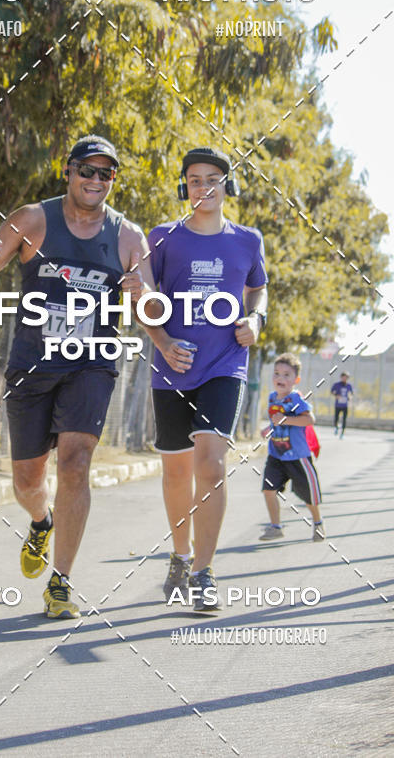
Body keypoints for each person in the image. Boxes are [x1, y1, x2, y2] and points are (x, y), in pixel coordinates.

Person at [0, 135, 152, 619]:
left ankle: (61, 582)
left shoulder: (129, 237)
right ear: (68, 171)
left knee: (75, 463)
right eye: (87, 169)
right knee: (27, 480)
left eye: (106, 173)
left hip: (92, 363)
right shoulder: (31, 220)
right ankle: (40, 521)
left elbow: (151, 309)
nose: (95, 180)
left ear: (113, 180)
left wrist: (141, 291)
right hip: (32, 365)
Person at [144, 147, 268, 610]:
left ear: (226, 185)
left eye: (212, 178)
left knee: (211, 465)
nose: (204, 187)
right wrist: (161, 342)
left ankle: (204, 571)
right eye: (194, 180)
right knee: (177, 471)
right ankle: (180, 554)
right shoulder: (163, 238)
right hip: (172, 368)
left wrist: (256, 320)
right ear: (185, 187)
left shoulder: (247, 241)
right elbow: (143, 301)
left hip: (224, 364)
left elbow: (258, 288)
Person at [259, 353, 324, 542]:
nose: (280, 378)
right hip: (276, 455)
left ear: (296, 380)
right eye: (277, 373)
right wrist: (268, 429)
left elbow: (309, 419)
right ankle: (275, 527)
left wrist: (286, 419)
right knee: (268, 490)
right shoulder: (273, 398)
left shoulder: (295, 399)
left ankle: (318, 523)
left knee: (308, 496)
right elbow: (277, 421)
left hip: (298, 457)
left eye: (287, 375)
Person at [331, 372, 353, 438]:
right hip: (338, 404)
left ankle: (342, 433)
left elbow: (351, 393)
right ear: (341, 377)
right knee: (336, 418)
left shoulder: (349, 385)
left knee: (344, 419)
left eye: (346, 377)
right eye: (344, 377)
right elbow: (332, 391)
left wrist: (350, 397)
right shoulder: (336, 384)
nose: (345, 379)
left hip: (345, 405)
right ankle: (336, 427)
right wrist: (336, 395)